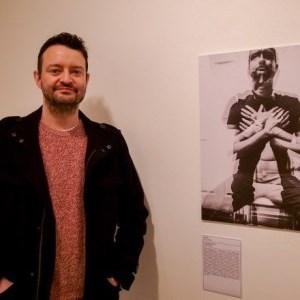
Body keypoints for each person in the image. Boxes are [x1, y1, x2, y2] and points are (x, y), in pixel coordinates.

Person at [0, 32, 148, 300]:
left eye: (76, 71)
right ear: (38, 78)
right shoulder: (8, 139)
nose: (66, 79)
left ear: (86, 80)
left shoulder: (109, 144)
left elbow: (134, 216)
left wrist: (118, 274)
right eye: (55, 70)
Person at [226, 47, 300, 224]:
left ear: (276, 66)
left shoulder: (292, 104)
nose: (261, 60)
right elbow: (231, 149)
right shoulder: (238, 106)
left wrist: (275, 132)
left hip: (283, 178)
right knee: (239, 222)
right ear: (248, 67)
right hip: (246, 178)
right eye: (255, 57)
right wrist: (260, 131)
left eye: (267, 56)